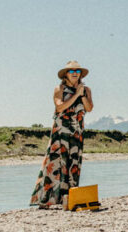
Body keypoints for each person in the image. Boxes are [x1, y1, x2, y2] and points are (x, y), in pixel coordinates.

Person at [31, 61, 93, 209]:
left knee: (73, 164)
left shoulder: (86, 89)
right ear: (66, 74)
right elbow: (59, 107)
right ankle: (47, 200)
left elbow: (89, 108)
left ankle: (69, 199)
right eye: (71, 71)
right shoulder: (59, 88)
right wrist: (76, 94)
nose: (75, 74)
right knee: (56, 163)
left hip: (77, 131)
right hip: (61, 131)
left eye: (77, 71)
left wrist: (82, 94)